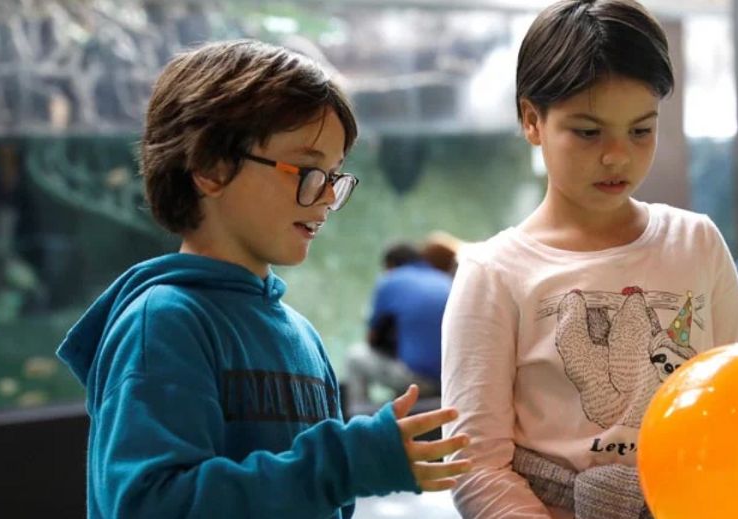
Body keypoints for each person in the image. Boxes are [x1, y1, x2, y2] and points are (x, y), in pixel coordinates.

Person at [54, 40, 470, 518]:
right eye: (308, 170)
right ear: (211, 167)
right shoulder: (164, 323)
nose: (326, 197)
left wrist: (346, 470)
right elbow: (149, 506)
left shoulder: (303, 337)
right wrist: (342, 464)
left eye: (334, 176)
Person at [440, 2, 738, 517]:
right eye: (588, 132)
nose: (617, 156)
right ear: (532, 120)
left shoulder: (695, 241)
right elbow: (475, 463)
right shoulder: (493, 273)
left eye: (641, 130)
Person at [347, 241, 453, 414]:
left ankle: (359, 417)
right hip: (449, 380)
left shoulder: (390, 280)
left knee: (355, 357)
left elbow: (372, 338)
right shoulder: (445, 280)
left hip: (418, 380)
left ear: (390, 265)